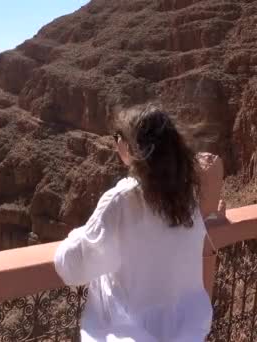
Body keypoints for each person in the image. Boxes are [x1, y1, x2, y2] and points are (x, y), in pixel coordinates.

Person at [54, 106, 213, 341]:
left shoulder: (122, 200)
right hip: (186, 332)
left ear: (131, 147)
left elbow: (74, 266)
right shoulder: (187, 198)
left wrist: (76, 236)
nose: (116, 142)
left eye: (118, 137)